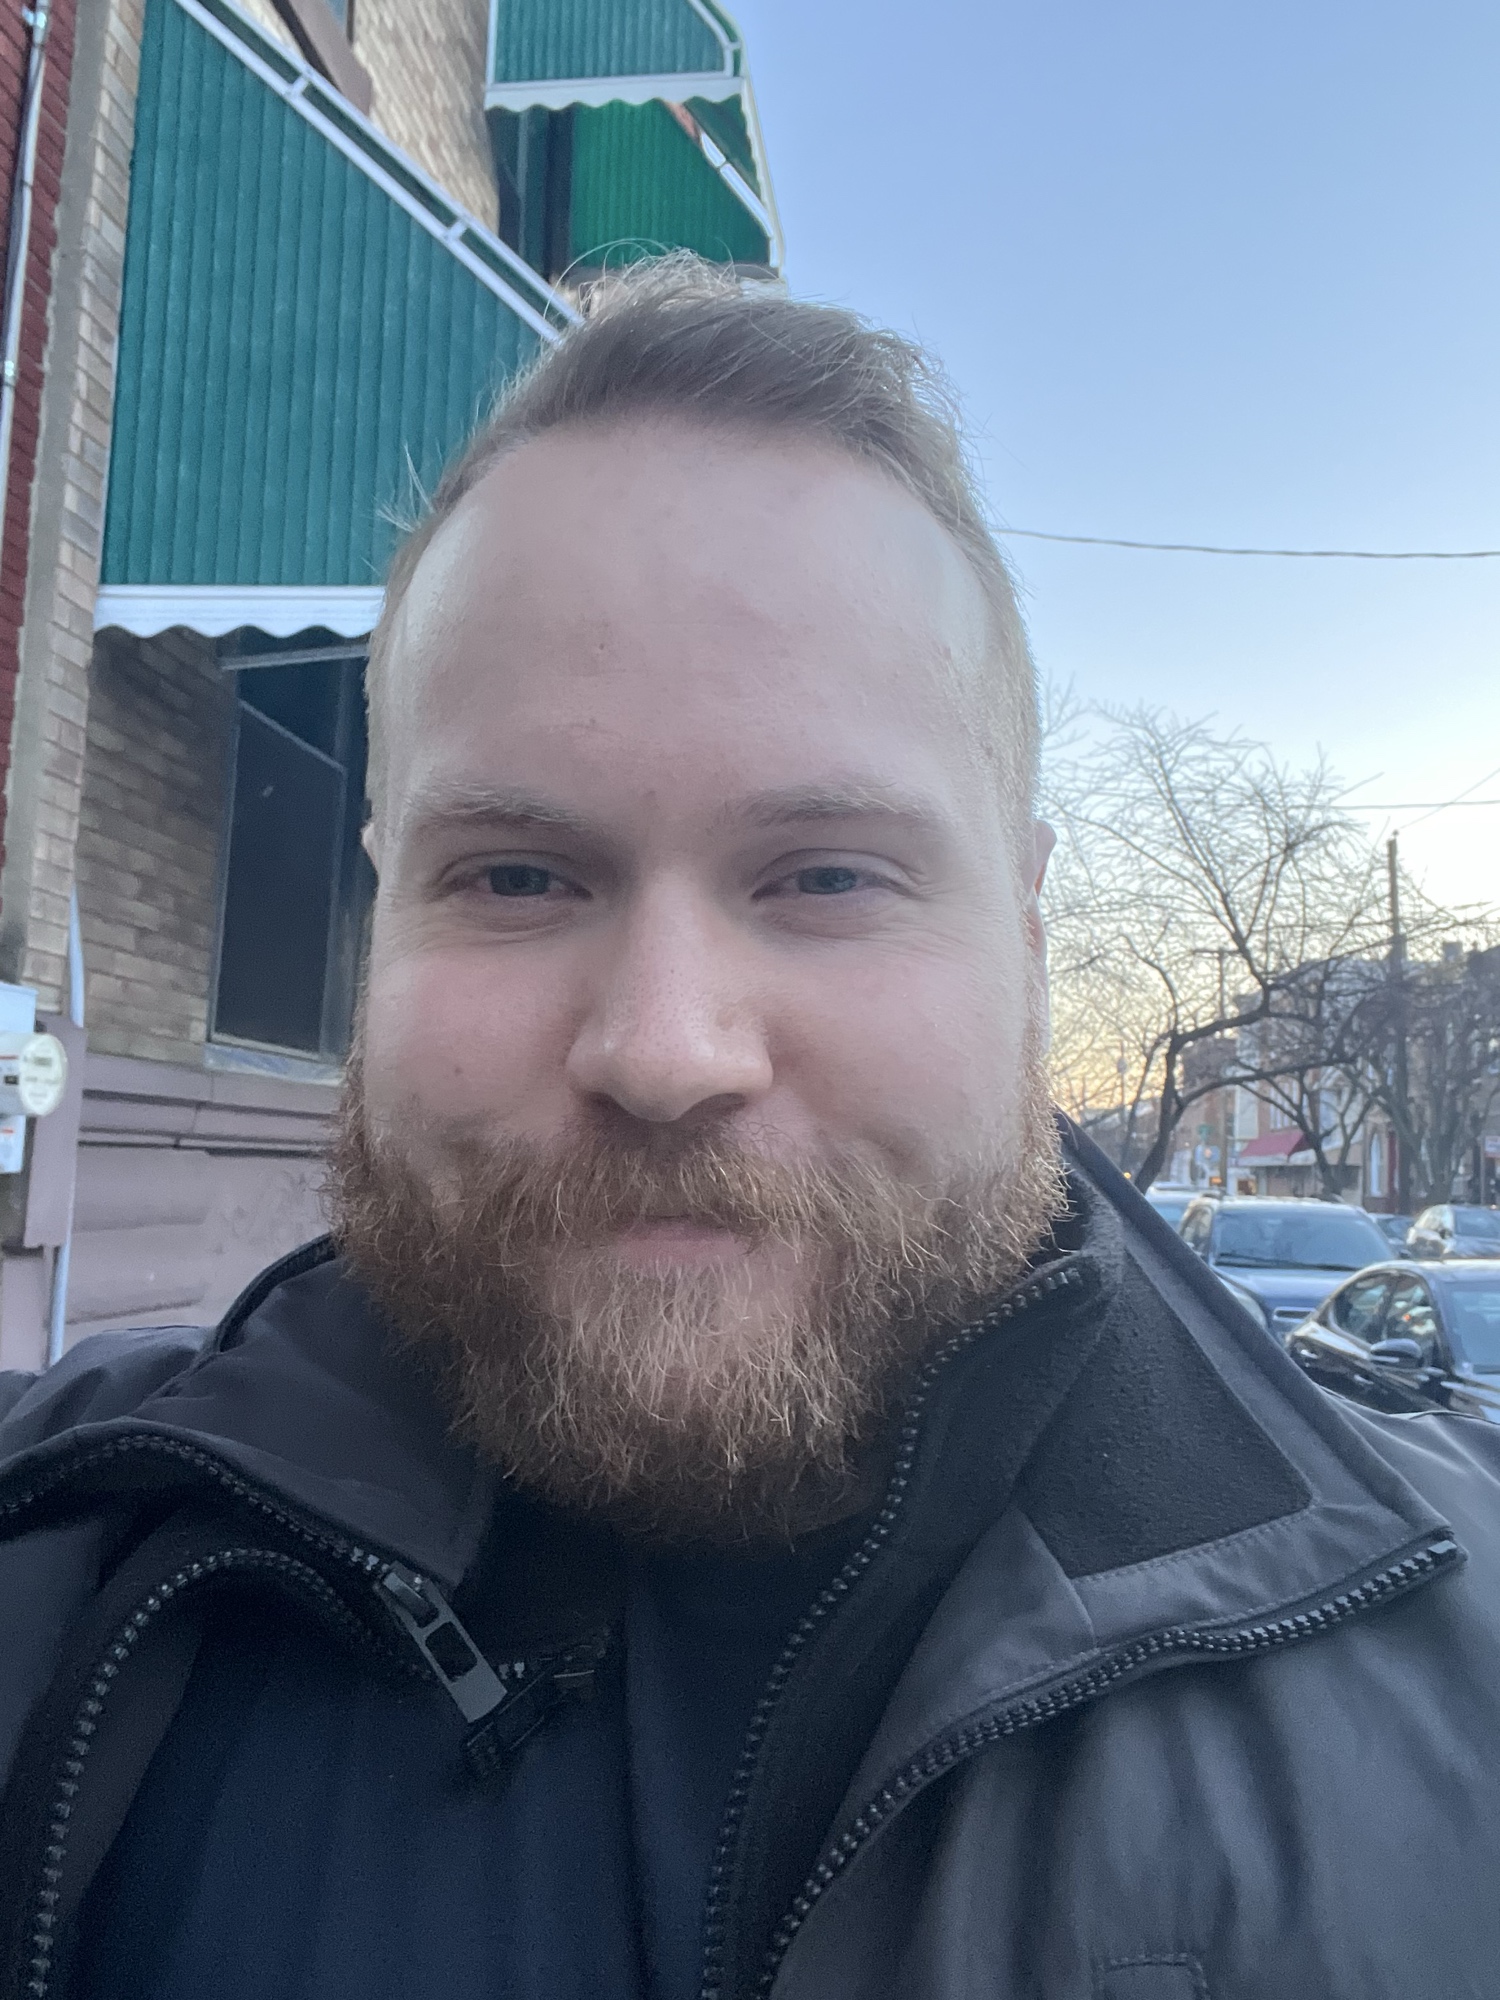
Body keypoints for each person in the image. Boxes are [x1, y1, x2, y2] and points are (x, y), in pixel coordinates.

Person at [1, 258, 1497, 2000]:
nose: (663, 1052)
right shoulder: (58, 1567)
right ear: (381, 909)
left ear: (1025, 930)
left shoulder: (1459, 1661)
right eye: (517, 876)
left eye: (827, 875)